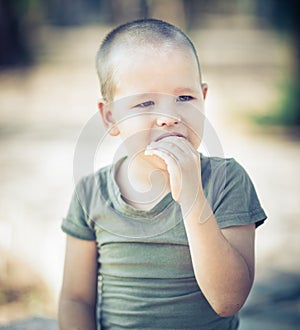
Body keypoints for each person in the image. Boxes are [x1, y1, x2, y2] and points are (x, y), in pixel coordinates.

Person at [58, 19, 267, 330]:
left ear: (204, 98)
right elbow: (76, 298)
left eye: (184, 98)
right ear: (110, 117)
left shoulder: (227, 182)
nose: (169, 118)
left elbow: (228, 301)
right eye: (145, 103)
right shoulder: (91, 193)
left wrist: (193, 197)